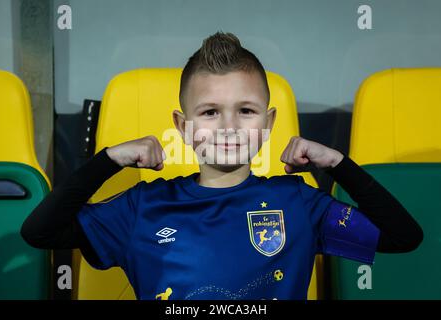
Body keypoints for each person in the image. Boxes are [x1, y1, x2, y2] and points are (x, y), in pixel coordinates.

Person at [21, 32, 423, 300]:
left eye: (246, 111)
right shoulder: (144, 206)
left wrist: (338, 164)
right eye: (210, 111)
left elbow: (403, 236)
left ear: (267, 124)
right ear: (182, 125)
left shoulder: (298, 202)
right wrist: (107, 160)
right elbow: (40, 232)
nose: (229, 126)